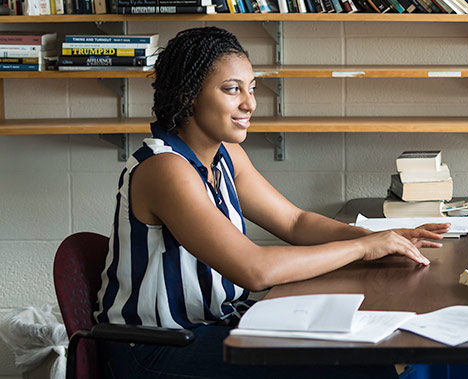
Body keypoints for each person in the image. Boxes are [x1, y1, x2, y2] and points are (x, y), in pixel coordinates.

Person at [93, 26, 449, 378]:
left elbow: (294, 223)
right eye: (232, 90)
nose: (250, 103)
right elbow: (256, 270)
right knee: (353, 367)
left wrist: (380, 239)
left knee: (370, 352)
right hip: (157, 350)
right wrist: (363, 248)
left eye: (251, 88)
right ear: (189, 95)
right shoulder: (165, 167)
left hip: (217, 326)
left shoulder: (225, 154)